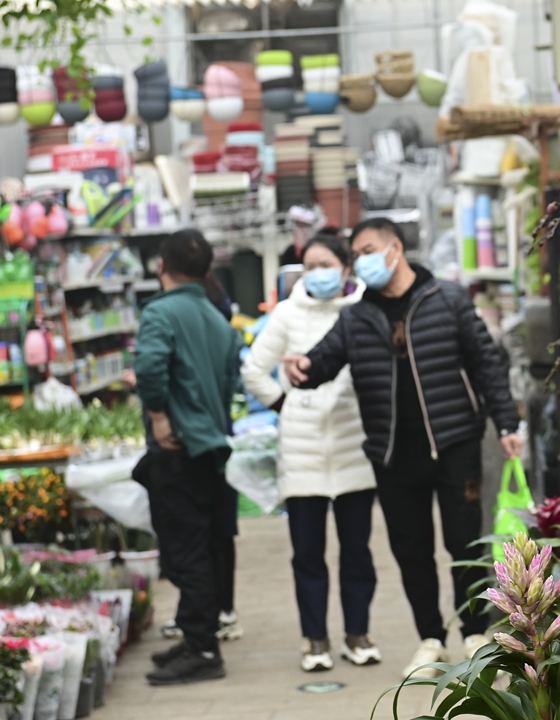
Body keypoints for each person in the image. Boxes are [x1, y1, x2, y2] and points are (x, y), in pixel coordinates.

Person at [281, 217, 522, 679]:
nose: (361, 262)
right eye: (357, 256)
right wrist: (303, 367)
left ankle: (473, 633)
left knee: (464, 542)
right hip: (393, 455)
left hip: (455, 445)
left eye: (368, 250)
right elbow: (325, 359)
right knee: (411, 551)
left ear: (395, 248)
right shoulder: (356, 316)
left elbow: (485, 363)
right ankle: (430, 638)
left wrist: (506, 420)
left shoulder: (447, 299)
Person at [240, 231, 380, 672]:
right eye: (311, 265)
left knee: (357, 551)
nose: (318, 273)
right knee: (308, 553)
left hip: (354, 447)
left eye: (327, 264)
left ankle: (358, 634)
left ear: (345, 268)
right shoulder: (286, 315)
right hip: (301, 454)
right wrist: (285, 405)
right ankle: (314, 640)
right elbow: (253, 371)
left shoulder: (363, 311)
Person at [134, 230, 242, 686]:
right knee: (208, 545)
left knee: (186, 551)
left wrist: (159, 416)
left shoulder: (160, 312)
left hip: (177, 450)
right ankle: (197, 634)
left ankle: (201, 649)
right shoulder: (219, 320)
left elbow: (150, 366)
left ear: (162, 265)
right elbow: (227, 382)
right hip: (210, 449)